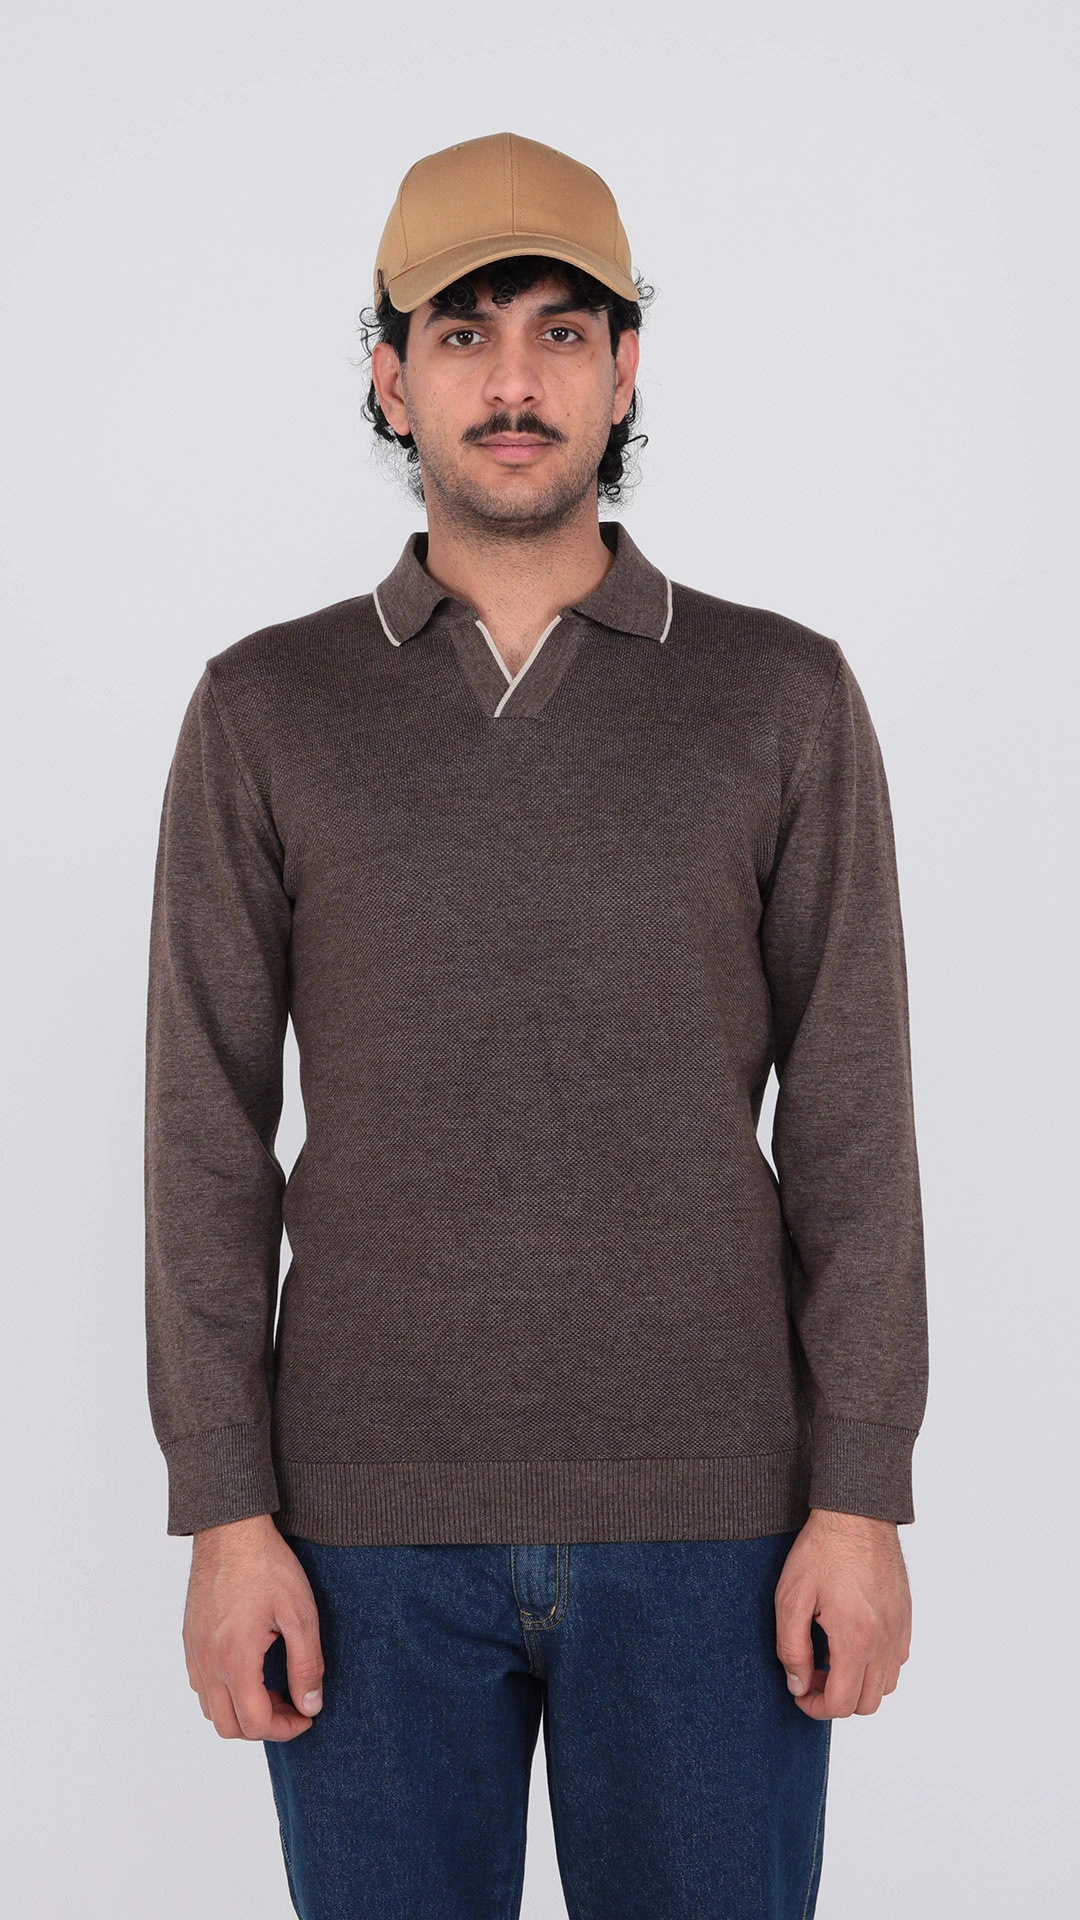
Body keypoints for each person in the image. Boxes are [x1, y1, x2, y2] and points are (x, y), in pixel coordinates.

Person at [144, 131, 930, 1920]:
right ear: (389, 376)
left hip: (721, 1527)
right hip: (355, 1532)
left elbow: (856, 1125)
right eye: (464, 332)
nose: (514, 380)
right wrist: (226, 1513)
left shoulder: (780, 698)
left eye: (562, 331)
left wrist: (862, 1493)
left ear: (626, 367)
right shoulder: (266, 709)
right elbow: (203, 1134)